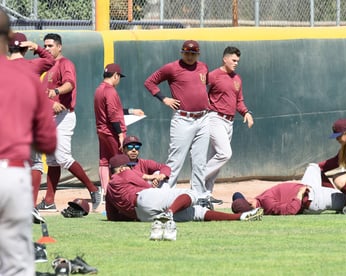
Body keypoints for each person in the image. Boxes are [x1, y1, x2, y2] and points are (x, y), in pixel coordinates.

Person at [0, 8, 57, 275]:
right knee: (16, 264)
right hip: (13, 171)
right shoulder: (30, 73)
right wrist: (37, 47)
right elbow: (47, 141)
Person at [37, 33, 101, 212]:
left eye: (50, 46)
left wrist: (56, 91)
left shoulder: (65, 63)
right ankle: (49, 201)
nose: (48, 48)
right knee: (52, 161)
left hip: (63, 116)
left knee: (62, 157)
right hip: (49, 118)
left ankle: (94, 189)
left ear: (59, 47)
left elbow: (70, 84)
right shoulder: (47, 67)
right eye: (45, 46)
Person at [105, 154, 263, 226]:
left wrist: (133, 217)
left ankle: (239, 217)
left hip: (143, 215)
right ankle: (169, 213)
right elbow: (145, 186)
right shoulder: (124, 173)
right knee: (192, 193)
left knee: (197, 213)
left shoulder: (109, 189)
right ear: (123, 167)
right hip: (144, 197)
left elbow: (113, 218)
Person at [144, 40, 210, 197]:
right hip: (183, 118)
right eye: (187, 53)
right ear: (182, 52)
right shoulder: (172, 68)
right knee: (176, 159)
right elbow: (150, 82)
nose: (189, 56)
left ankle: (199, 196)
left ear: (198, 55)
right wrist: (164, 99)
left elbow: (203, 86)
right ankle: (164, 195)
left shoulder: (203, 67)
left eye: (193, 54)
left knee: (200, 161)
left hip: (203, 118)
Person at [8, 31, 56, 207]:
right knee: (35, 163)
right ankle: (30, 206)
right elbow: (51, 60)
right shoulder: (31, 65)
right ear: (25, 49)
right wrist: (37, 47)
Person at [205, 46, 254, 204]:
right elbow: (200, 91)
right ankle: (197, 180)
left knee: (216, 159)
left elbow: (239, 101)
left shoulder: (237, 79)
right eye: (233, 60)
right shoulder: (213, 75)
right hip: (215, 118)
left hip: (229, 121)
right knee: (225, 153)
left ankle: (205, 195)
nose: (236, 63)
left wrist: (246, 112)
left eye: (237, 61)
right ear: (224, 59)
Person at [94, 63, 144, 200]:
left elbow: (114, 110)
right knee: (121, 161)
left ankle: (105, 193)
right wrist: (120, 134)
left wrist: (132, 111)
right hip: (111, 132)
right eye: (119, 77)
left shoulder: (99, 89)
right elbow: (112, 114)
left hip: (102, 130)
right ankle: (122, 191)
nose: (119, 80)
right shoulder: (110, 91)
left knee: (104, 161)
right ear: (115, 76)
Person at [231, 163, 346, 215]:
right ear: (250, 202)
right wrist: (299, 194)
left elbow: (237, 195)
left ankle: (337, 193)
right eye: (246, 200)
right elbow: (290, 210)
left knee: (314, 167)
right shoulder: (267, 205)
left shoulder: (258, 201)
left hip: (307, 187)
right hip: (312, 198)